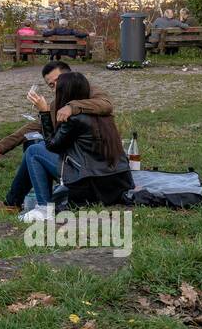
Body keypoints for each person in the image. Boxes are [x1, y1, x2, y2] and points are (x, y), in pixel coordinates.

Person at [0, 61, 114, 210]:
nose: (56, 87)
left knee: (35, 151)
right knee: (33, 143)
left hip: (90, 168)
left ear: (69, 75)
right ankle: (14, 202)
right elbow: (36, 126)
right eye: (52, 85)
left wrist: (71, 107)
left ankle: (41, 207)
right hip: (77, 160)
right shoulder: (57, 103)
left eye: (58, 80)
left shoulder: (90, 91)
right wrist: (2, 146)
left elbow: (106, 105)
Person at [20, 71, 133, 223]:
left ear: (65, 93)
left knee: (34, 151)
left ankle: (44, 208)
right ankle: (19, 199)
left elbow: (52, 145)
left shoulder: (73, 119)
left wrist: (45, 112)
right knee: (38, 148)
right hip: (117, 180)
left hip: (90, 182)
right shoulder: (102, 113)